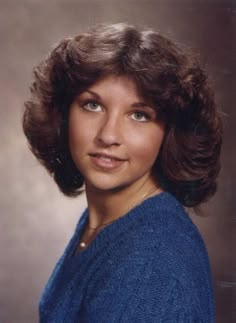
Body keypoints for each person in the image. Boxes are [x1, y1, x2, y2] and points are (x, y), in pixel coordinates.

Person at [22, 23, 222, 322]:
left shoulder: (153, 263)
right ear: (64, 114)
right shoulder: (107, 220)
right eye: (92, 105)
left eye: (139, 115)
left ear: (170, 132)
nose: (108, 135)